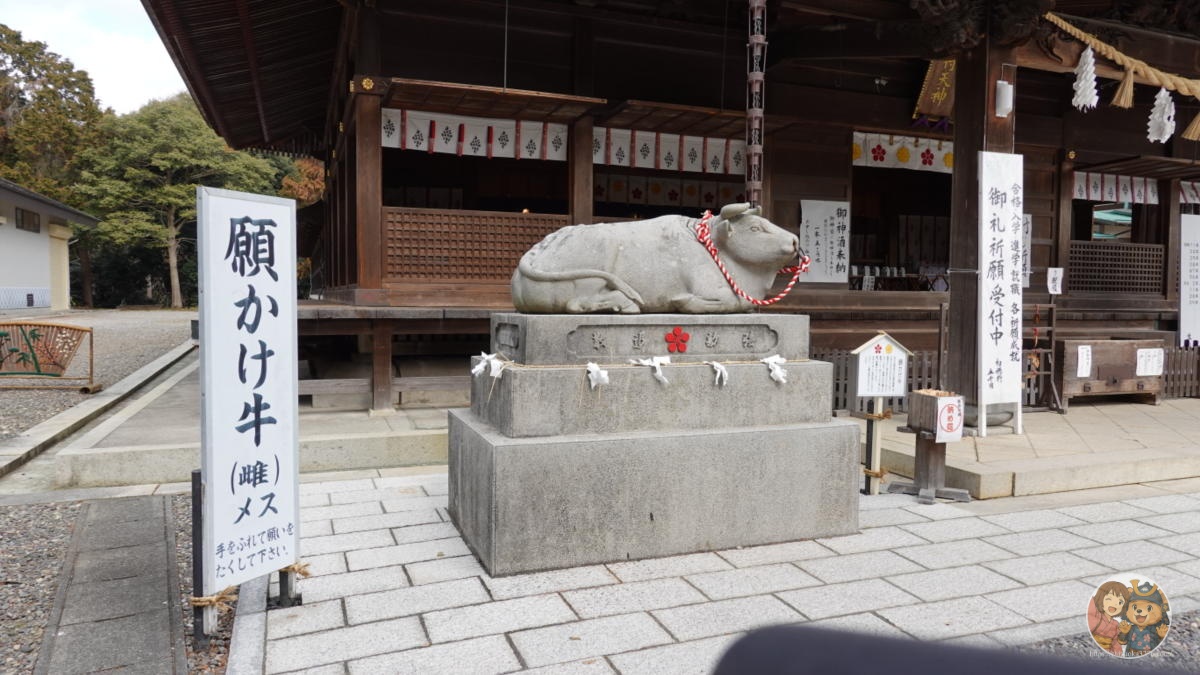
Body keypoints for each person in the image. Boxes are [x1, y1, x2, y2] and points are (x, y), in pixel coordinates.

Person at [1088, 580, 1130, 656]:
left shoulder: (1116, 624)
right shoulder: (1096, 614)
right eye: (1109, 599)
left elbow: (1116, 644)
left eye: (1120, 602)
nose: (1114, 604)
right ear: (1100, 599)